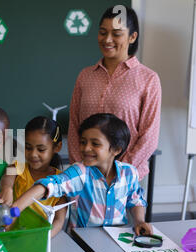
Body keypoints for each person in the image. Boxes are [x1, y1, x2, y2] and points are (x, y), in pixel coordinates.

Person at [11, 113, 152, 236]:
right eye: (83, 142)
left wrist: (139, 221)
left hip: (117, 239)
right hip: (83, 243)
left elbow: (135, 200)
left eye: (95, 144)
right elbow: (50, 184)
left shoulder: (129, 172)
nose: (86, 148)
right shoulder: (80, 172)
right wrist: (15, 209)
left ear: (115, 149)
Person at [67, 6, 161, 181]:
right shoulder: (85, 76)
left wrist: (119, 171)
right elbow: (74, 124)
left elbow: (149, 135)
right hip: (85, 175)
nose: (107, 39)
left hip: (125, 178)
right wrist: (79, 166)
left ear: (132, 37)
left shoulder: (148, 79)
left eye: (116, 34)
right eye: (103, 32)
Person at [0, 116, 68, 238]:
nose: (33, 154)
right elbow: (7, 177)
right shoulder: (18, 167)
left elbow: (59, 221)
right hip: (11, 235)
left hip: (37, 239)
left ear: (57, 147)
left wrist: (44, 238)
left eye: (41, 149)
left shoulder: (60, 181)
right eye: (28, 147)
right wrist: (7, 188)